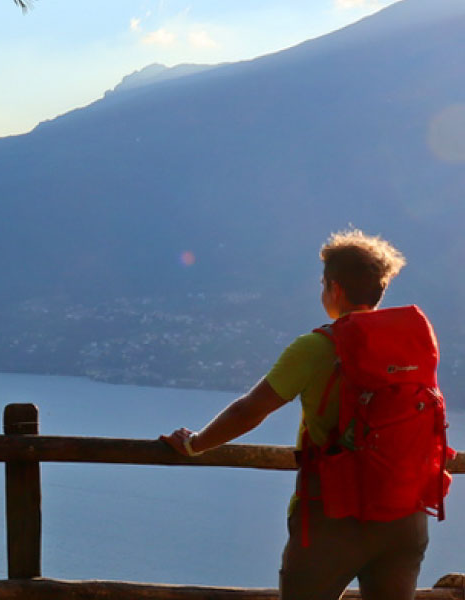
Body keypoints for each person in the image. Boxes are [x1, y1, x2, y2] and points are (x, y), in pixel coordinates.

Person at [160, 228, 429, 600]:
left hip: (332, 517)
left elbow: (250, 410)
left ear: (334, 288)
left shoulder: (318, 346)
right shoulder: (412, 344)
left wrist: (195, 444)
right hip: (405, 516)